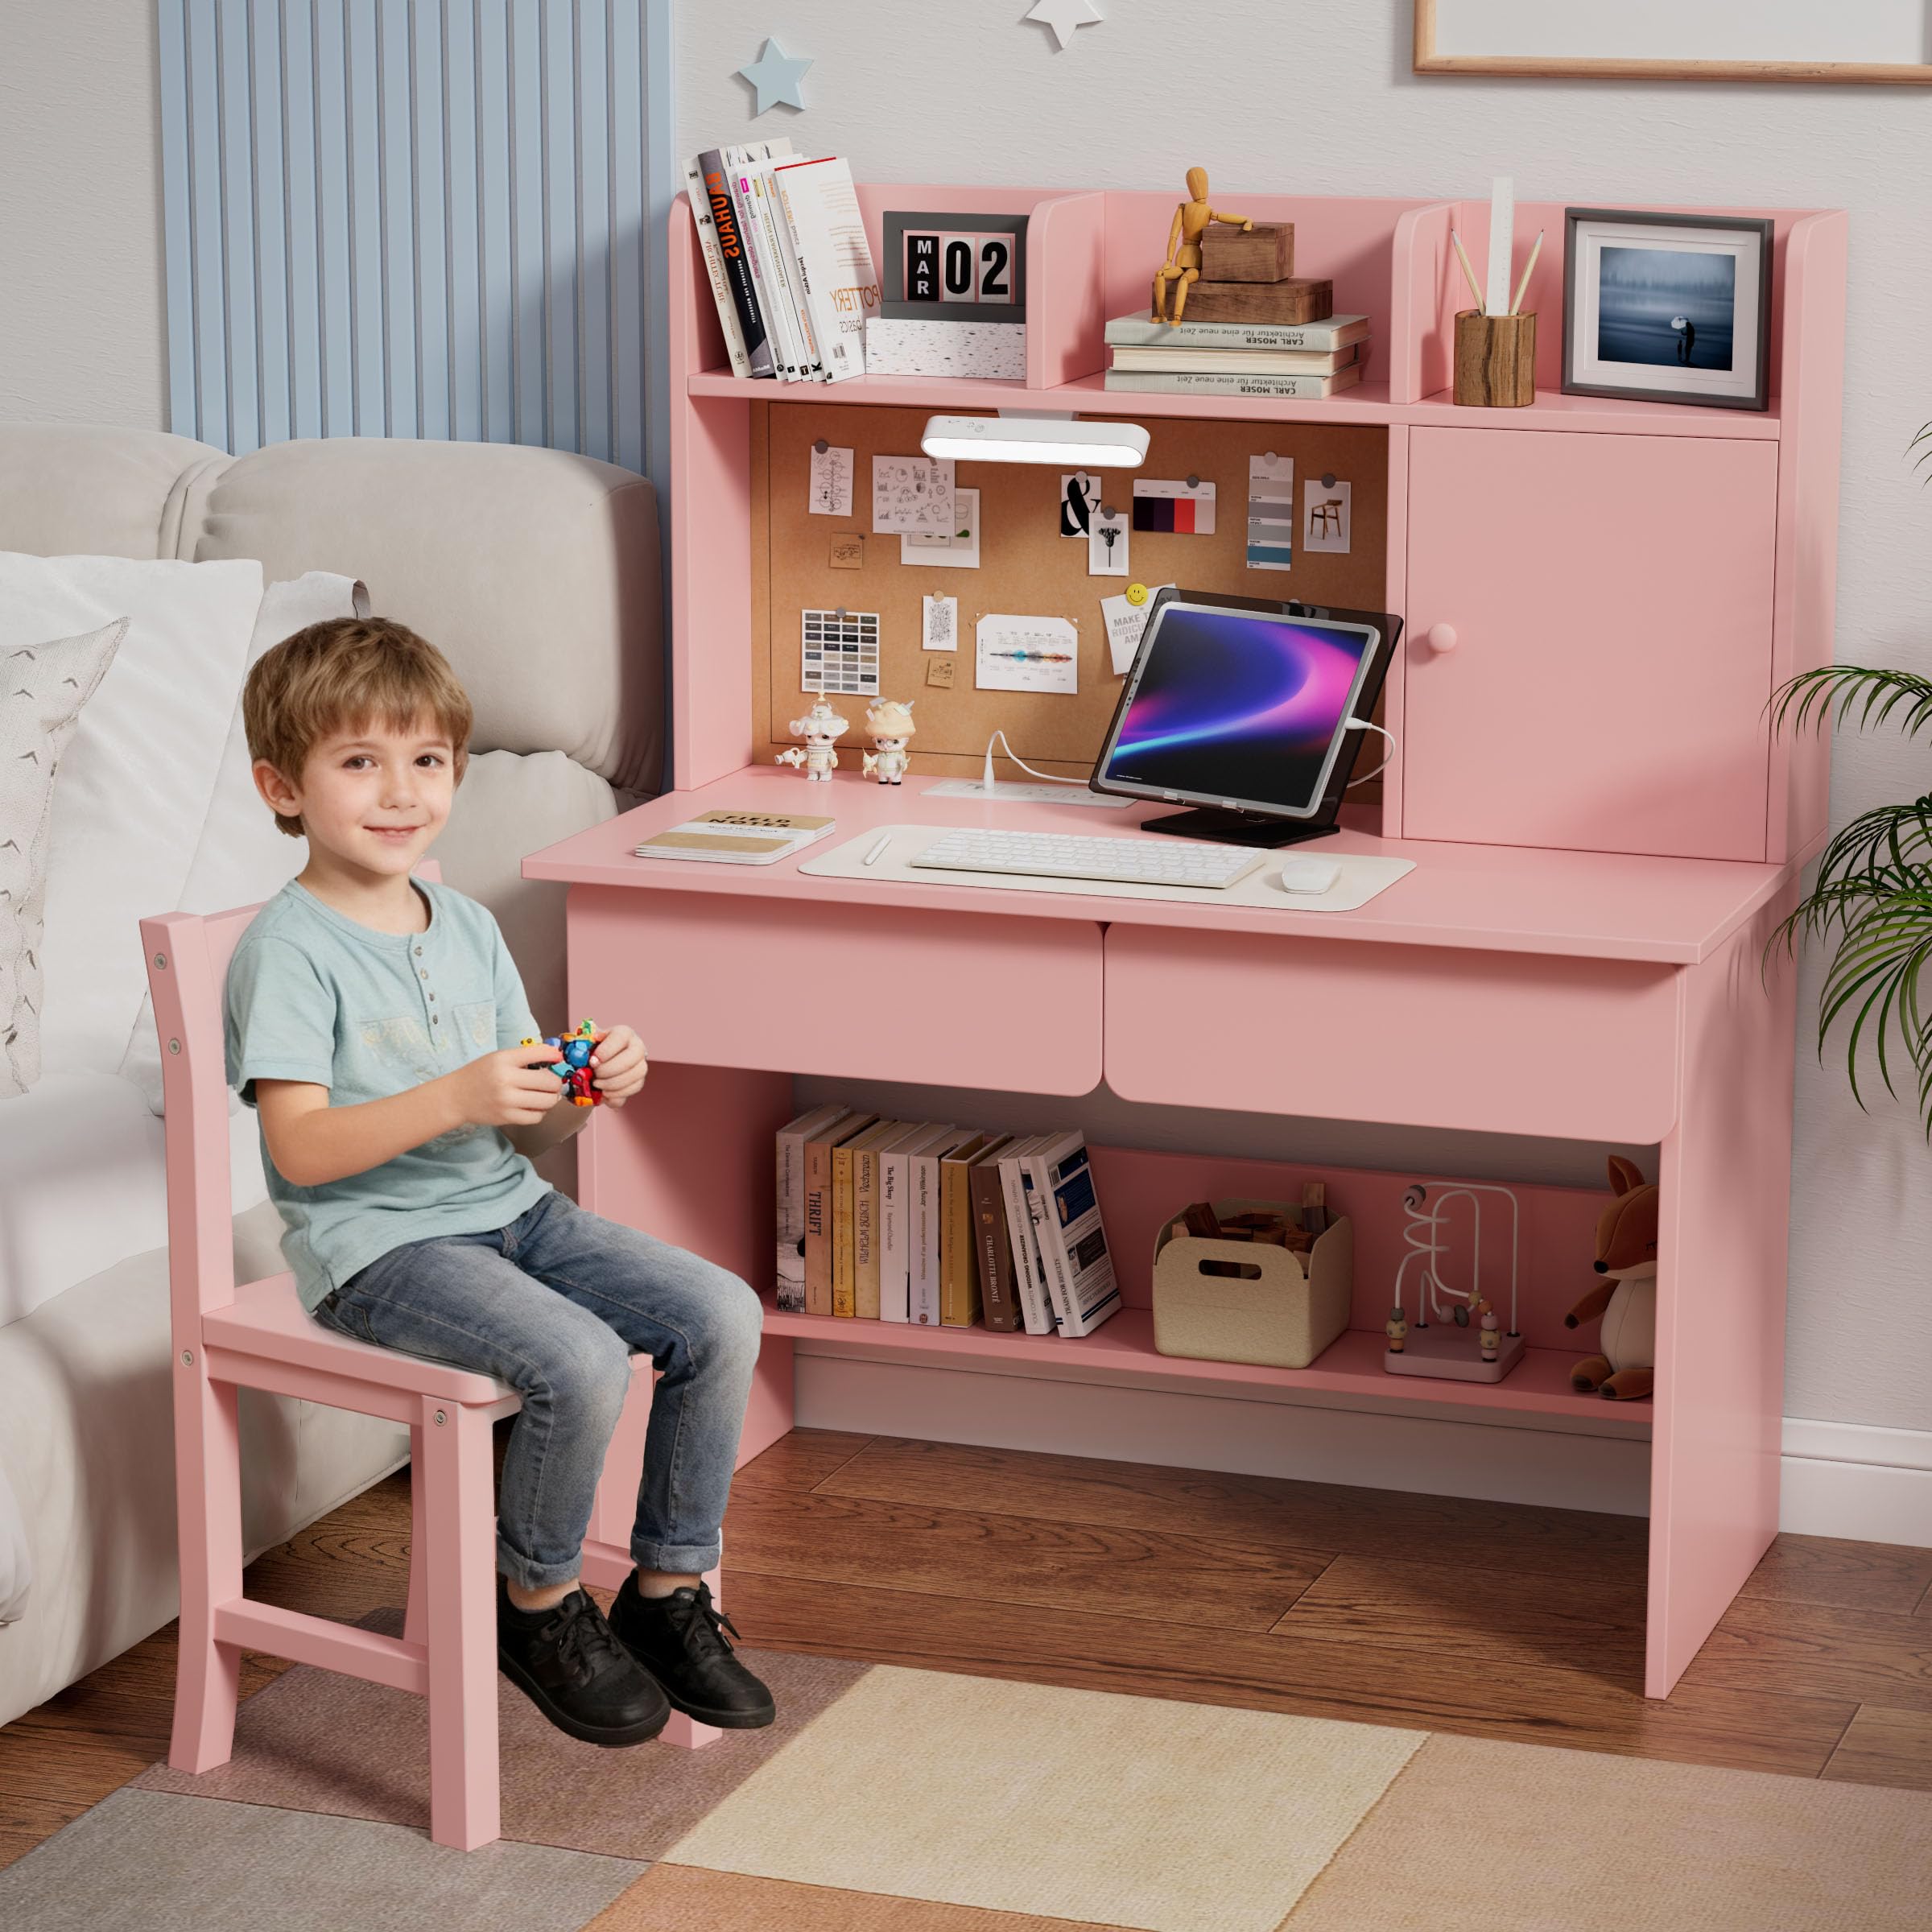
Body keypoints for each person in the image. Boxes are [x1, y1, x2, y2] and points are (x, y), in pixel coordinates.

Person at [225, 616, 774, 1748]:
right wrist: (462, 1098)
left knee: (720, 1313)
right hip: (379, 1250)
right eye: (358, 762)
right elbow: (301, 1152)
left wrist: (584, 1086)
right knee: (574, 1361)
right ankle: (535, 1604)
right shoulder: (289, 949)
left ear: (458, 775)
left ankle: (669, 1595)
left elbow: (525, 1137)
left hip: (512, 1214)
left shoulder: (467, 924)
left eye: (427, 762)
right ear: (284, 788)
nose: (400, 792)